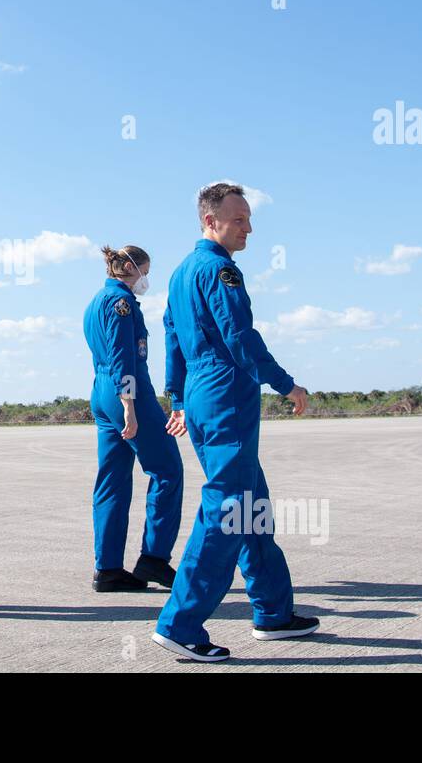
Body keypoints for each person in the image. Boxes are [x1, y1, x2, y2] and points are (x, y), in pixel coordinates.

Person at [152, 183, 317, 661]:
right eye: (239, 219)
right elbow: (241, 338)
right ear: (210, 221)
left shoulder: (182, 273)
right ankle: (180, 624)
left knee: (251, 505)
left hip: (203, 398)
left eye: (248, 218)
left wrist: (179, 399)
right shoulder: (219, 269)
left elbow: (173, 341)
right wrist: (286, 384)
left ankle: (273, 612)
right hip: (226, 395)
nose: (248, 227)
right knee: (228, 510)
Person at [82, 245, 184, 592]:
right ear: (128, 267)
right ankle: (154, 559)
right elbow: (123, 354)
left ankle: (107, 568)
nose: (146, 279)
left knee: (112, 481)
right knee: (167, 470)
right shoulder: (121, 303)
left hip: (101, 390)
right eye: (145, 271)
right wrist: (129, 403)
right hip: (128, 391)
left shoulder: (95, 302)